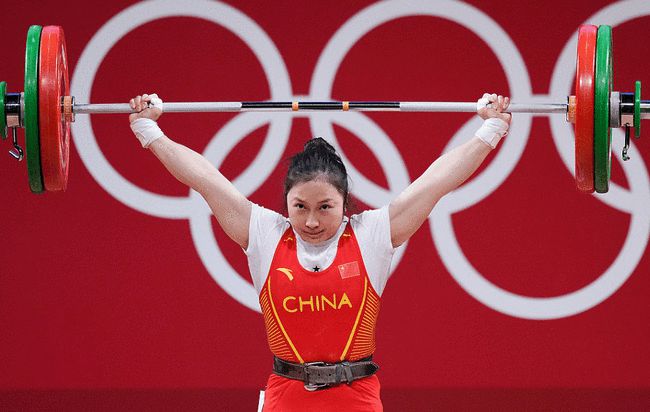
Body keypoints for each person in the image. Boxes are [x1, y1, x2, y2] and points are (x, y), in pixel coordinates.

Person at [128, 93, 511, 411]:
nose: (311, 220)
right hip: (286, 398)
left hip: (357, 399)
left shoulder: (371, 235)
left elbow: (437, 181)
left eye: (325, 207)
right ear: (286, 202)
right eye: (300, 207)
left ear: (345, 202)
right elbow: (204, 178)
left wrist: (491, 129)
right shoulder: (264, 233)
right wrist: (149, 130)